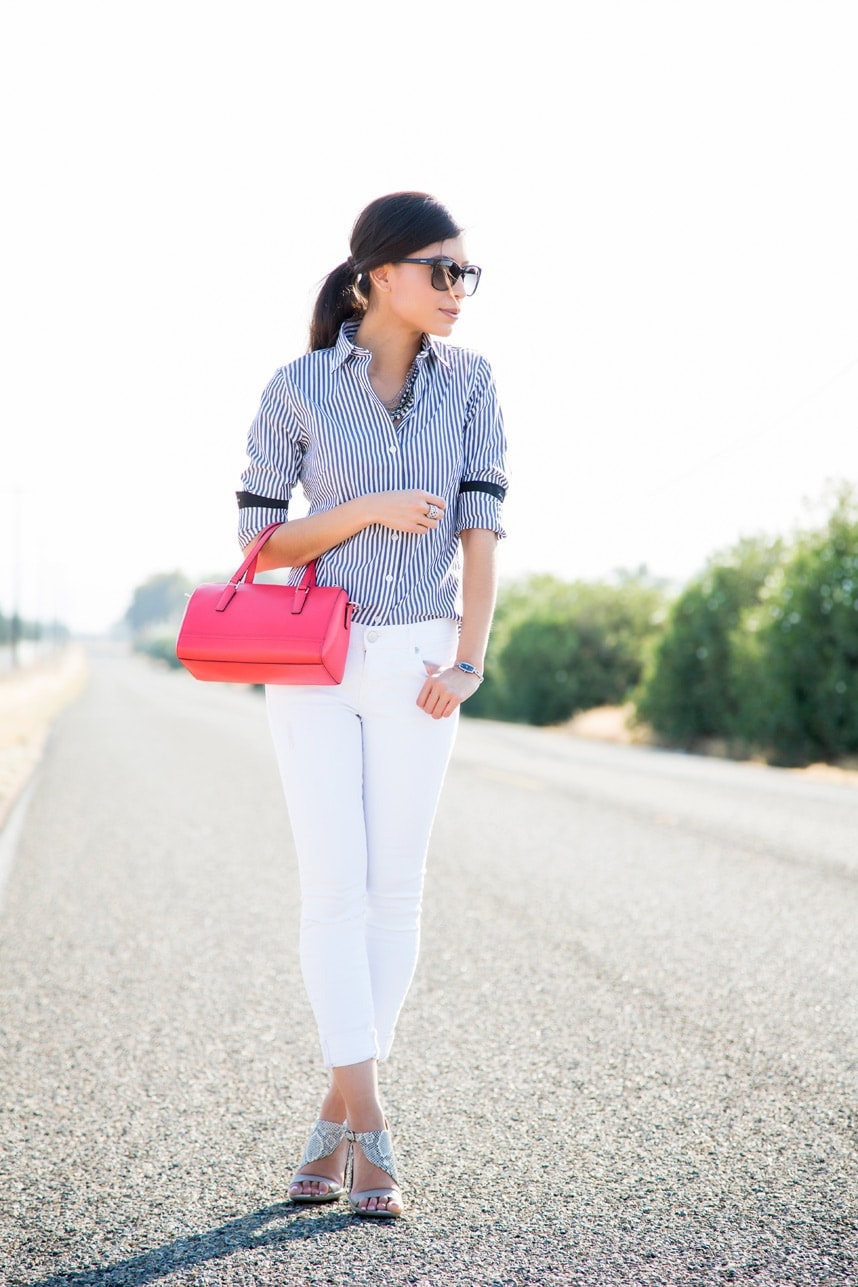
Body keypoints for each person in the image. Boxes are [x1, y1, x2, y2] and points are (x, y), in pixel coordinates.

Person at [236, 191, 508, 1219]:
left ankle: (335, 1117)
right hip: (312, 661)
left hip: (420, 664)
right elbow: (260, 543)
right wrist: (360, 512)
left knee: (396, 893)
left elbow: (483, 531)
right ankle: (376, 1128)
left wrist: (469, 662)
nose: (457, 290)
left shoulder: (474, 385)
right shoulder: (298, 386)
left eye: (465, 274)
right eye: (442, 270)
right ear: (376, 276)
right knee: (332, 891)